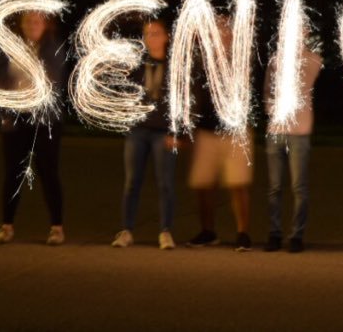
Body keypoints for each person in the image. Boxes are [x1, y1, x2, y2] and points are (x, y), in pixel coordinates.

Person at [0, 10, 69, 245]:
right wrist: (4, 110)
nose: (33, 25)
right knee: (13, 174)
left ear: (45, 25)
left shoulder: (53, 49)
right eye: (28, 21)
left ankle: (57, 228)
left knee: (48, 173)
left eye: (37, 21)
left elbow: (52, 80)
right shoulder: (9, 49)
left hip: (44, 122)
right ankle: (7, 226)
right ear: (21, 25)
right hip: (16, 119)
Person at [184, 18, 256, 251]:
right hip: (206, 130)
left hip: (235, 132)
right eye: (217, 29)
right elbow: (193, 92)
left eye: (226, 29)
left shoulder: (239, 59)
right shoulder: (201, 60)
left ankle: (243, 232)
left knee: (238, 184)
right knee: (203, 184)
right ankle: (208, 231)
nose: (221, 33)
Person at [112, 19, 179, 250]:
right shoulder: (138, 65)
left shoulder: (175, 66)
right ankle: (127, 230)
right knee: (132, 182)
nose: (151, 37)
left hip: (164, 132)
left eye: (156, 33)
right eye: (147, 34)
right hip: (138, 130)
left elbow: (181, 101)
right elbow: (125, 93)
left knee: (165, 184)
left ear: (166, 36)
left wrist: (175, 130)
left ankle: (165, 231)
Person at [262, 32, 323, 253]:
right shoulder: (275, 59)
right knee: (275, 187)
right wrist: (273, 112)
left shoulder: (313, 59)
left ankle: (297, 235)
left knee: (299, 187)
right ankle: (275, 233)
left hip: (300, 131)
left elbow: (306, 74)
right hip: (276, 130)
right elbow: (267, 89)